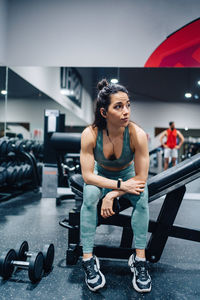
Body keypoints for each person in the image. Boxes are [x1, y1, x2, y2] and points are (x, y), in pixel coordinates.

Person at [80, 79, 151, 293]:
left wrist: (112, 195)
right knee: (90, 194)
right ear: (104, 112)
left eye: (128, 105)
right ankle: (88, 259)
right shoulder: (90, 134)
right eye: (118, 106)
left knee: (141, 196)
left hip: (129, 175)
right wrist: (116, 187)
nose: (126, 111)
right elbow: (88, 176)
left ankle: (139, 260)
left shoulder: (137, 134)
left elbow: (140, 178)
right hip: (101, 176)